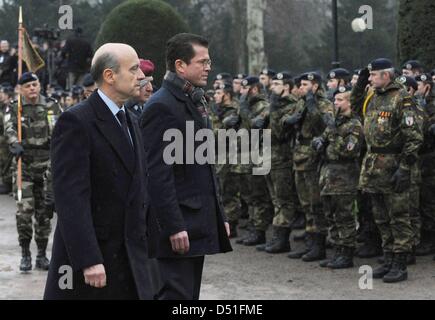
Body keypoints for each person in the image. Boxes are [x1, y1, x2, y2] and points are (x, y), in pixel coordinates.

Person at [44, 43, 156, 300]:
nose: (142, 76)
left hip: (130, 256)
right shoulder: (76, 121)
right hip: (97, 262)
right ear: (109, 76)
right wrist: (88, 260)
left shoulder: (131, 120)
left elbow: (139, 188)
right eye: (134, 69)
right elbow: (71, 198)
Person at [140, 33, 232, 300]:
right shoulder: (162, 106)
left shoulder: (192, 99)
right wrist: (173, 225)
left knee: (188, 296)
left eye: (209, 61)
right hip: (178, 226)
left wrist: (219, 214)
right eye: (202, 62)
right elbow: (157, 174)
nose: (208, 67)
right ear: (180, 66)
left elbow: (204, 166)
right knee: (175, 295)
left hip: (195, 219)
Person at [359, 58, 424, 283]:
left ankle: (400, 263)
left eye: (374, 75)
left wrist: (405, 168)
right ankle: (388, 258)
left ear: (386, 76)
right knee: (381, 216)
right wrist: (360, 84)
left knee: (399, 217)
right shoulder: (376, 97)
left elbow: (414, 138)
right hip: (375, 165)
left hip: (395, 165)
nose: (370, 78)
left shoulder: (402, 99)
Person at [4, 73, 62, 272]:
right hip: (24, 167)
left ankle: (41, 255)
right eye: (27, 86)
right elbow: (8, 126)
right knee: (24, 212)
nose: (32, 89)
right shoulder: (14, 106)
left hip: (46, 168)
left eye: (35, 85)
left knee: (44, 214)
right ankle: (25, 253)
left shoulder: (52, 105)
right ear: (21, 89)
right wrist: (14, 143)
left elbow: (60, 130)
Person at [282, 71, 334, 262]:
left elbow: (325, 127)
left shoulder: (324, 104)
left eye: (305, 85)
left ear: (315, 86)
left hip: (313, 156)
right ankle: (311, 243)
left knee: (315, 203)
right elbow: (287, 121)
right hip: (299, 155)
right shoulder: (301, 103)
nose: (300, 88)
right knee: (304, 203)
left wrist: (312, 105)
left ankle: (318, 245)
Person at [313, 86, 363, 268]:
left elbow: (348, 151)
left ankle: (347, 254)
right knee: (331, 215)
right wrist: (318, 142)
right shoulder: (336, 122)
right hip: (328, 174)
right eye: (335, 100)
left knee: (345, 216)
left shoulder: (354, 125)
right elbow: (322, 139)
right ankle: (337, 252)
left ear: (349, 102)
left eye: (340, 100)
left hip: (344, 175)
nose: (335, 103)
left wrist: (332, 131)